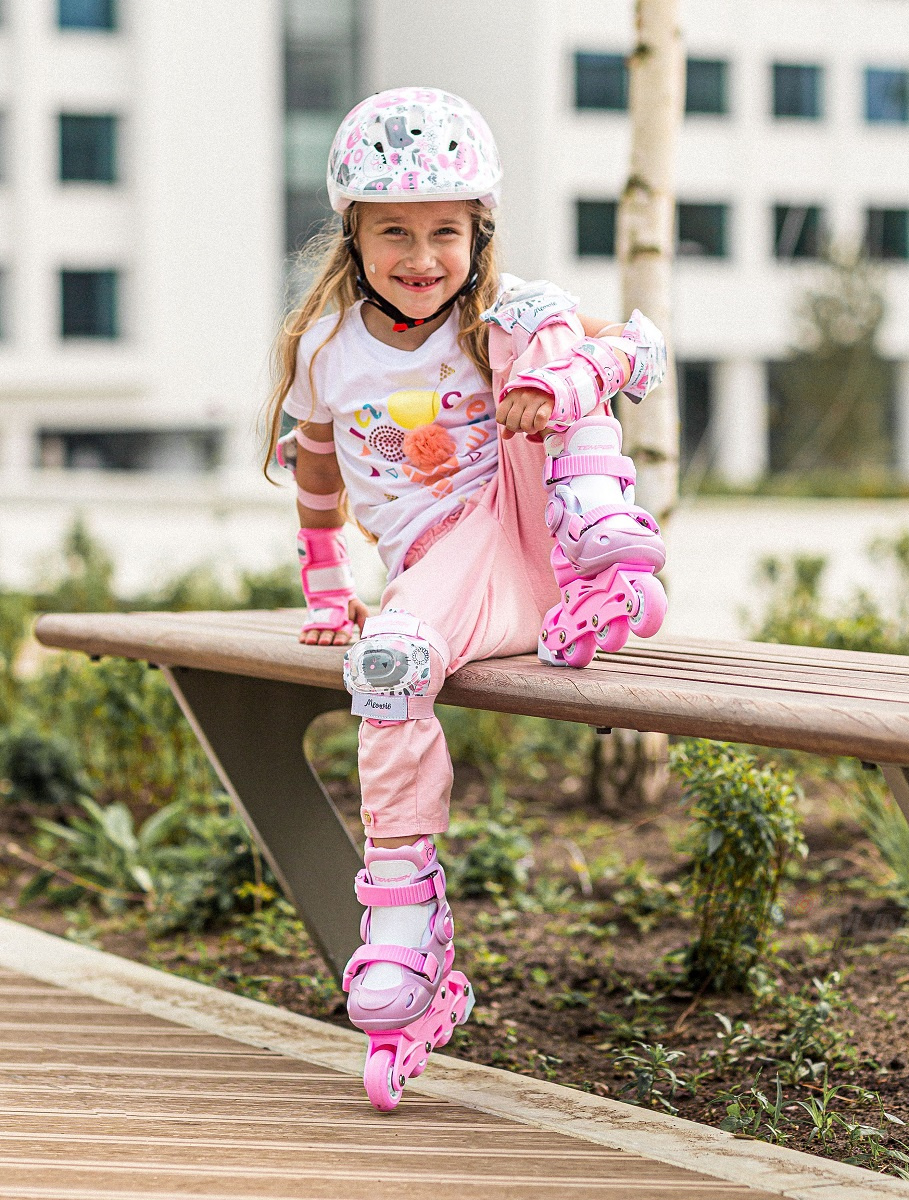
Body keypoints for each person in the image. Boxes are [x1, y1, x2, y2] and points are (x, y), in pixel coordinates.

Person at [263, 87, 667, 1109]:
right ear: (353, 238)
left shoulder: (496, 321)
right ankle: (410, 921)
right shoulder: (326, 350)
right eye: (394, 232)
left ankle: (602, 534)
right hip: (452, 575)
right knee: (389, 664)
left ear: (477, 234)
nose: (421, 256)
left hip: (542, 526)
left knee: (541, 318)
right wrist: (327, 581)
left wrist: (557, 384)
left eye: (445, 231)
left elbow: (641, 351)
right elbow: (318, 469)